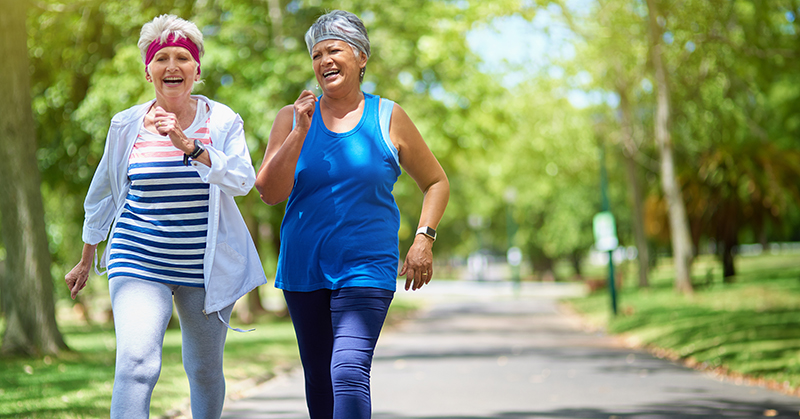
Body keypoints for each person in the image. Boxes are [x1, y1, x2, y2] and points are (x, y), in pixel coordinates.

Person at [64, 14, 267, 419]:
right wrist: (87, 257)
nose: (171, 66)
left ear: (196, 69)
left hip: (204, 266)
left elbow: (243, 180)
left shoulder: (222, 120)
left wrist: (189, 146)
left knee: (205, 371)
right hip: (137, 256)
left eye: (181, 58)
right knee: (137, 365)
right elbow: (102, 193)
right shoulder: (126, 125)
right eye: (161, 58)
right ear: (148, 70)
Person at [254, 9, 450, 419]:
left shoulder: (388, 116)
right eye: (316, 54)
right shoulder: (291, 118)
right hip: (304, 267)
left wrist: (423, 239)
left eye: (335, 50)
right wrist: (298, 134)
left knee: (347, 371)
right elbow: (270, 192)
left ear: (361, 57)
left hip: (366, 267)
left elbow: (436, 181)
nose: (324, 60)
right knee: (319, 381)